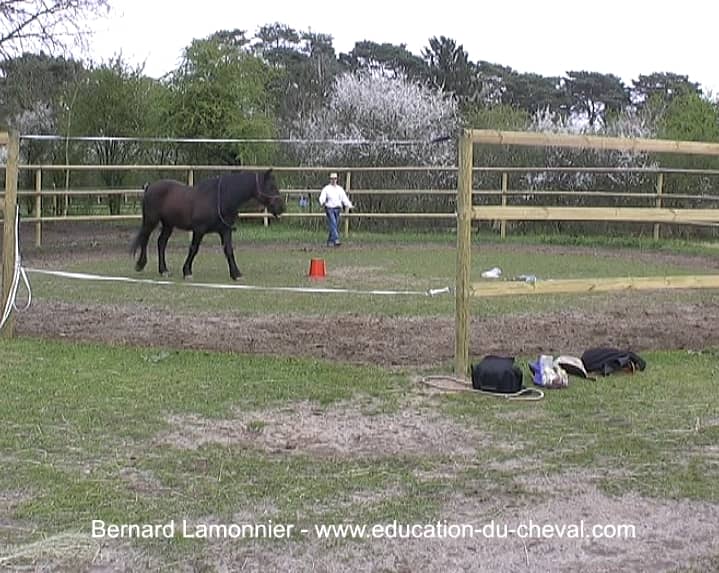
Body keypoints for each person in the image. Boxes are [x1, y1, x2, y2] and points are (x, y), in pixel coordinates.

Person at [318, 172, 353, 246]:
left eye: (335, 179)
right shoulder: (326, 188)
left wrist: (349, 205)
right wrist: (322, 202)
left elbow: (344, 198)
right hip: (329, 208)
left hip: (337, 208)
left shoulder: (340, 189)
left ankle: (330, 241)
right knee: (333, 223)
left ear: (337, 179)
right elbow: (322, 197)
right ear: (330, 180)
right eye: (332, 179)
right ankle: (336, 239)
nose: (333, 180)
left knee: (334, 225)